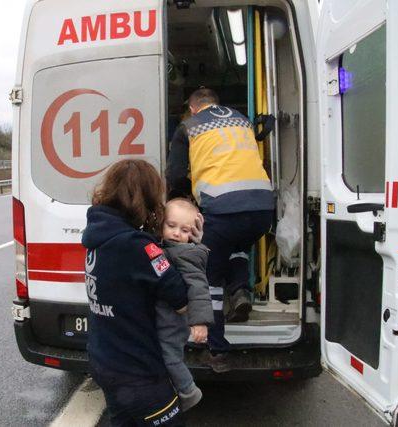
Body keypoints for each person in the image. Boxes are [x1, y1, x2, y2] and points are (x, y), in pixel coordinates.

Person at [166, 88, 274, 372]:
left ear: (192, 108)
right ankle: (240, 290)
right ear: (215, 102)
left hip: (223, 210)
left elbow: (176, 173)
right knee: (238, 245)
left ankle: (218, 351)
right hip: (263, 208)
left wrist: (179, 201)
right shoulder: (241, 119)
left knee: (208, 279)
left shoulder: (188, 126)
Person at [82, 159, 187, 426]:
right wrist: (190, 249)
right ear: (148, 197)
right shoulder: (137, 246)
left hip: (106, 361)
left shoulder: (98, 235)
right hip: (138, 374)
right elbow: (181, 300)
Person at [156, 198, 213, 412]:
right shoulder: (165, 246)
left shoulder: (185, 254)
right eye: (171, 226)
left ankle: (188, 391)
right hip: (163, 318)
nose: (177, 233)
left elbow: (199, 289)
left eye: (184, 229)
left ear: (193, 232)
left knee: (170, 358)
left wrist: (199, 322)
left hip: (172, 322)